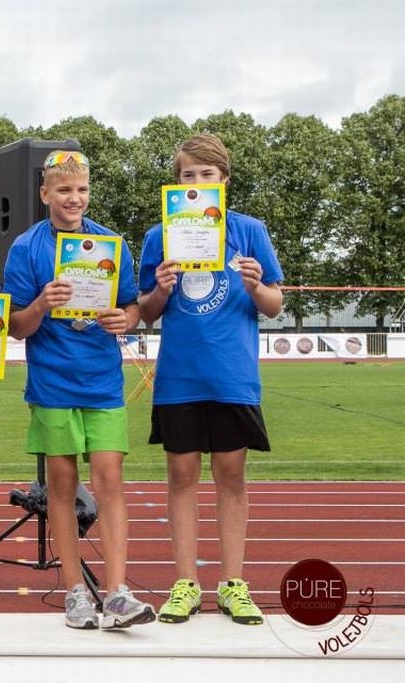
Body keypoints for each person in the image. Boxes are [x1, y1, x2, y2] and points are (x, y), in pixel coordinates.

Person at [3, 146, 156, 630]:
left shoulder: (111, 244)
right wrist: (42, 304)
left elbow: (132, 309)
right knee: (63, 490)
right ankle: (74, 593)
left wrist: (121, 319)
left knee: (110, 481)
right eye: (65, 190)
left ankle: (117, 593)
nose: (75, 199)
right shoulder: (27, 248)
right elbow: (16, 327)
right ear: (45, 193)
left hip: (103, 382)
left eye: (82, 190)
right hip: (52, 386)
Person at [138, 133, 284, 626]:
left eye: (206, 175)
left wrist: (256, 285)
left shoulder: (249, 231)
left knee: (231, 476)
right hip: (180, 376)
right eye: (187, 175)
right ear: (176, 182)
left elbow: (274, 304)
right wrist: (158, 289)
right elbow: (146, 313)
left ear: (224, 180)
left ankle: (233, 584)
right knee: (181, 477)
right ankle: (185, 583)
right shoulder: (159, 236)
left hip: (232, 377)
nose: (196, 182)